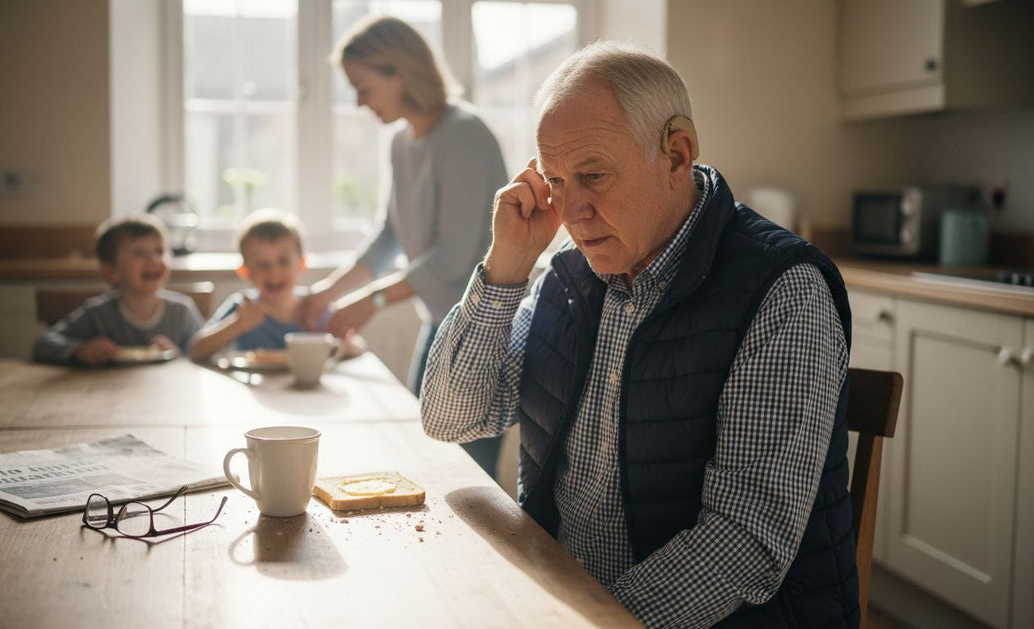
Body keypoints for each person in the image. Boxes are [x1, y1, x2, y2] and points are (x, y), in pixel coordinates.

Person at [420, 42, 858, 628]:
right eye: (555, 179)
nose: (571, 211)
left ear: (677, 154)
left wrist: (586, 620)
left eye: (593, 175)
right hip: (564, 598)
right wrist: (505, 268)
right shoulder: (567, 276)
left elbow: (743, 542)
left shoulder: (784, 291)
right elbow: (450, 418)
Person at [300, 15, 508, 477]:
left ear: (400, 71)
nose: (358, 102)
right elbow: (389, 235)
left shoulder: (464, 135)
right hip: (440, 322)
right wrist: (327, 293)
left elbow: (454, 258)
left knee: (465, 481)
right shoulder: (400, 141)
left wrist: (370, 301)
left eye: (362, 87)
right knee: (424, 463)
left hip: (484, 333)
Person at [189, 209, 362, 362]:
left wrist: (337, 346)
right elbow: (195, 350)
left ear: (301, 264)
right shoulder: (242, 307)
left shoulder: (315, 306)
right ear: (245, 271)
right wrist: (237, 325)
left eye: (283, 261)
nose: (274, 272)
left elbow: (358, 345)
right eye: (262, 265)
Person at [32, 215, 204, 365]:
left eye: (159, 251)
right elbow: (43, 344)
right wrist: (81, 351)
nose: (153, 260)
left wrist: (178, 356)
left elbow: (205, 355)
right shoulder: (98, 315)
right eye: (140, 253)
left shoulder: (182, 312)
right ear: (112, 270)